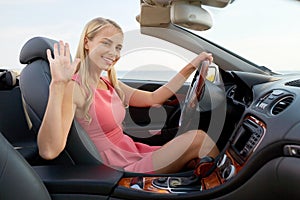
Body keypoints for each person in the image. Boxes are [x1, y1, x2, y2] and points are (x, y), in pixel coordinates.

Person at [37, 17, 219, 174]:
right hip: (116, 168)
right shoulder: (74, 88)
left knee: (194, 161)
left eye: (118, 47)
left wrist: (192, 66)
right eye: (106, 43)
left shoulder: (109, 83)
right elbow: (49, 150)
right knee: (198, 139)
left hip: (132, 153)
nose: (114, 53)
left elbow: (154, 98)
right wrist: (58, 85)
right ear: (87, 42)